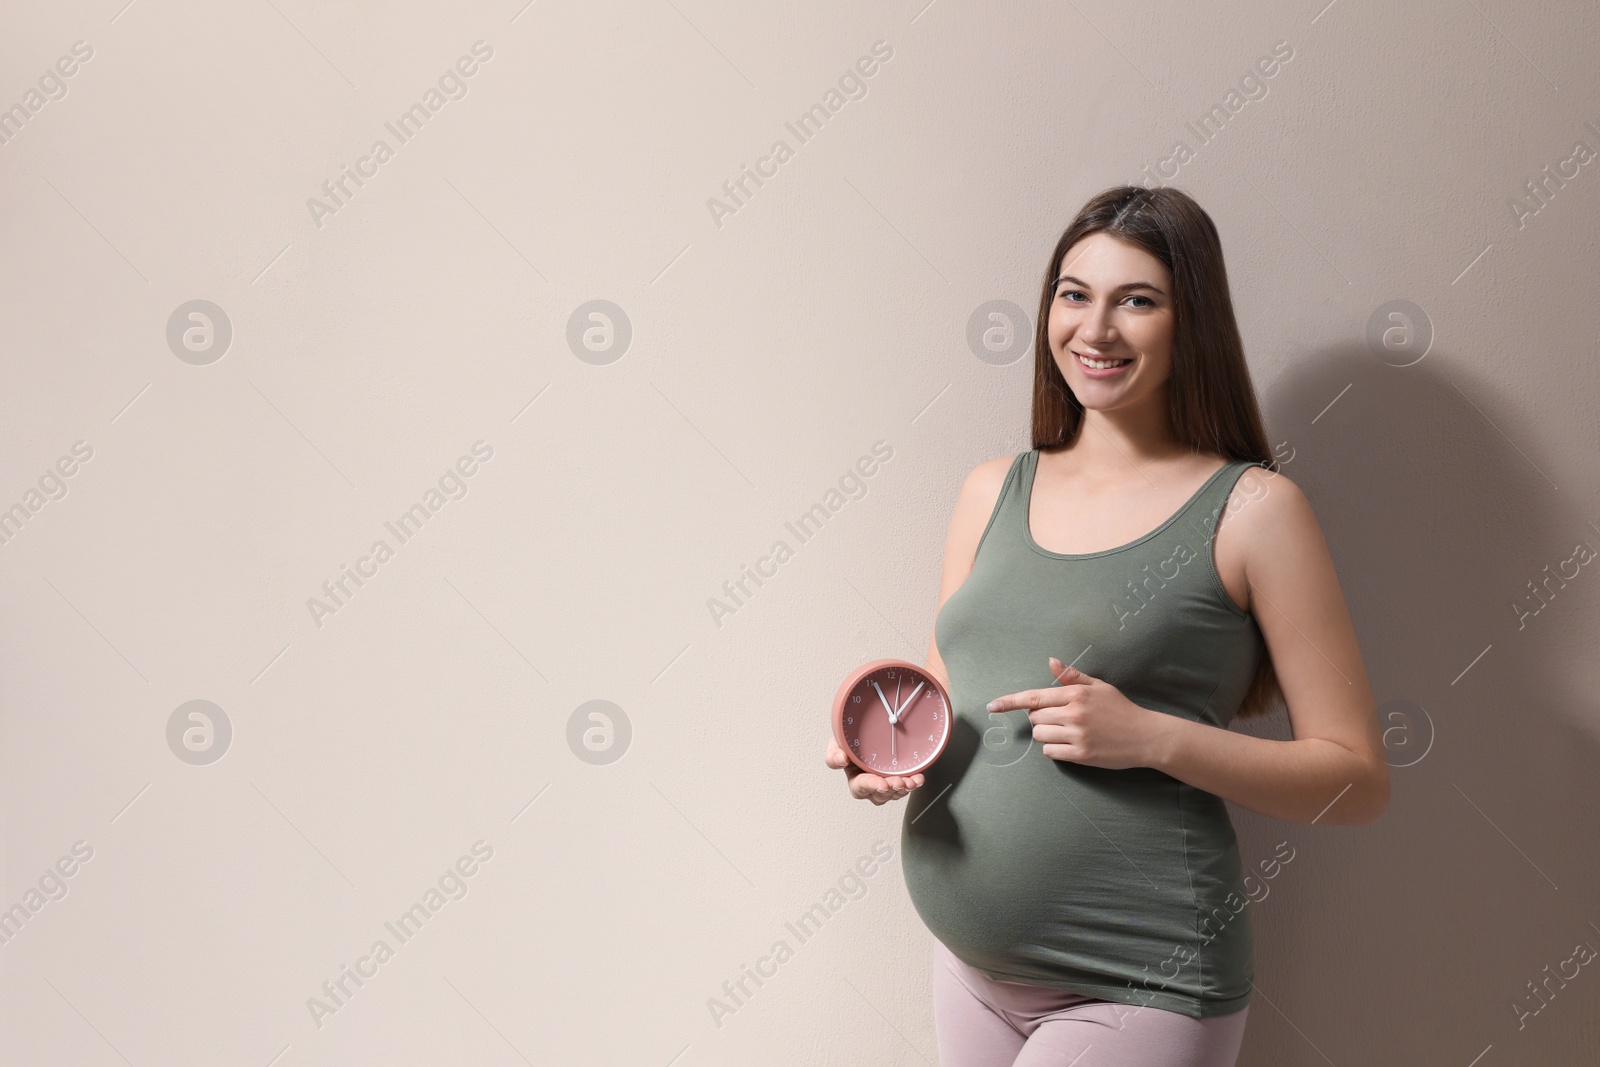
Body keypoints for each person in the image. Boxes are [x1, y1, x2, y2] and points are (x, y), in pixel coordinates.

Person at [824, 184, 1389, 1066]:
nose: (1095, 329)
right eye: (1074, 293)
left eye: (1138, 300)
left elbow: (1357, 781)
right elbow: (945, 700)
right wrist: (885, 756)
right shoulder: (991, 488)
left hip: (1137, 983)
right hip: (969, 965)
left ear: (1189, 321)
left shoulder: (1253, 512)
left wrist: (1151, 736)